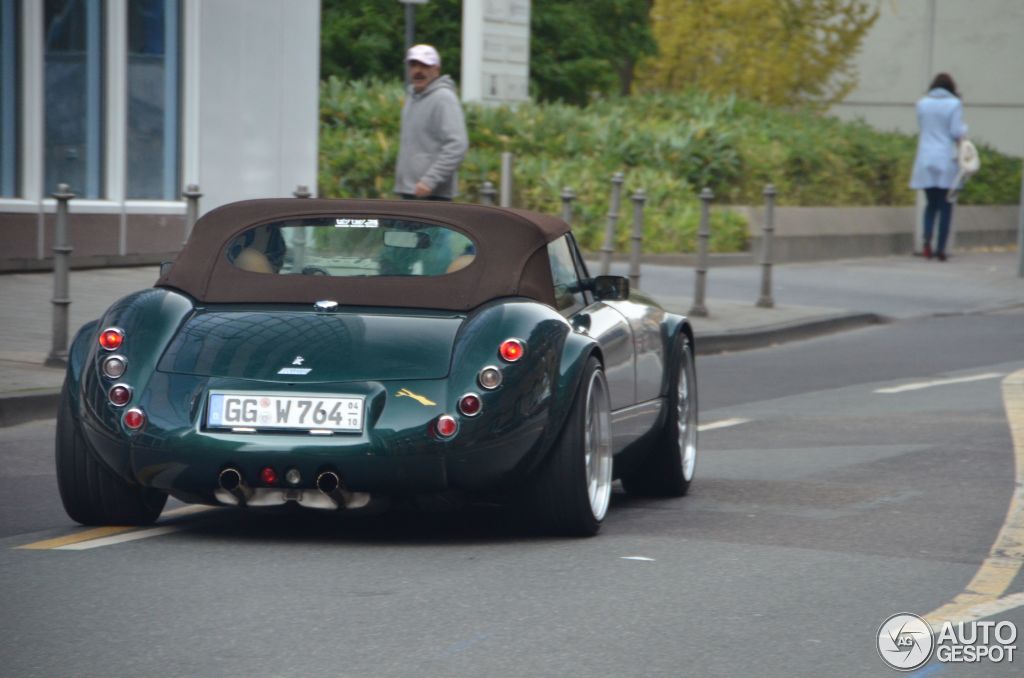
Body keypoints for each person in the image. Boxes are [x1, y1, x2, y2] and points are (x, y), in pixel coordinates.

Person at [393, 44, 468, 201]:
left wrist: (430, 181)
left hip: (432, 195)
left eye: (424, 65)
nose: (418, 70)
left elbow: (457, 145)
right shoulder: (411, 98)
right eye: (413, 65)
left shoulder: (444, 98)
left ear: (436, 69)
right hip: (411, 191)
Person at [910, 73, 968, 262]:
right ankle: (941, 249)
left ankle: (926, 242)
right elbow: (956, 131)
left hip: (925, 158)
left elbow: (922, 128)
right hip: (946, 159)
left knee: (930, 205)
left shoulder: (922, 104)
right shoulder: (954, 104)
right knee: (946, 206)